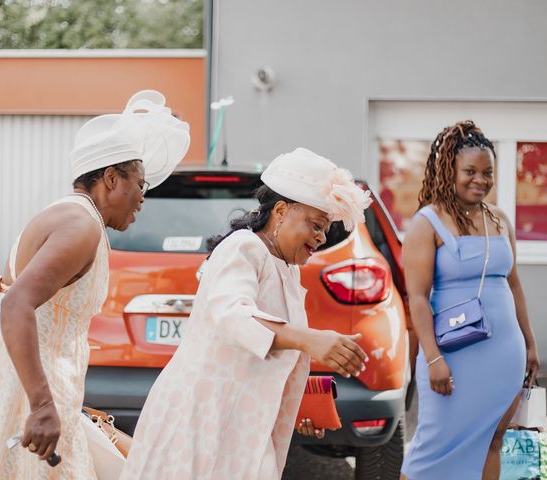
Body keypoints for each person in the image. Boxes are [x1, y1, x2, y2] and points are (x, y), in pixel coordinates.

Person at [0, 90, 190, 480]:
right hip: (24, 379)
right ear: (111, 178)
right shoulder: (81, 226)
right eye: (140, 185)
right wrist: (42, 405)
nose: (143, 199)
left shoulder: (72, 214)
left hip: (22, 369)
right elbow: (16, 305)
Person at [119, 148, 373, 480]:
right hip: (204, 420)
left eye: (325, 228)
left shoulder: (286, 267)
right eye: (315, 224)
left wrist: (297, 402)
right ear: (281, 211)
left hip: (244, 427)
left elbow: (267, 349)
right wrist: (311, 340)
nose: (322, 237)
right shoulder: (243, 247)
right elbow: (234, 316)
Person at [400, 120, 540, 480]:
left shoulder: (500, 219)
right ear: (449, 170)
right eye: (470, 171)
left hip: (504, 354)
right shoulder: (426, 223)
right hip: (452, 354)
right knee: (432, 445)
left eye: (488, 172)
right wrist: (433, 359)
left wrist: (530, 344)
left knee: (492, 440)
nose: (480, 179)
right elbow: (416, 298)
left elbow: (516, 285)